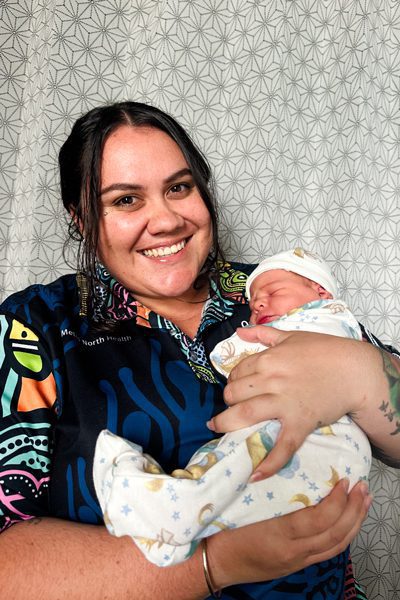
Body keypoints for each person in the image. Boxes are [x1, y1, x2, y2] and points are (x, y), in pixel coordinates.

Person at [0, 101, 398, 600]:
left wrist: (360, 374)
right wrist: (213, 562)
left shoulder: (273, 291)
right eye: (126, 200)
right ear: (80, 219)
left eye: (178, 187)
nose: (165, 220)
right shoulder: (36, 328)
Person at [93, 247, 371, 568]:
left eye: (273, 292)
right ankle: (176, 538)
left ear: (320, 291)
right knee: (251, 504)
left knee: (223, 474)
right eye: (253, 303)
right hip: (336, 464)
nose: (259, 304)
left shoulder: (324, 318)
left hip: (311, 435)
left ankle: (173, 516)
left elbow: (226, 357)